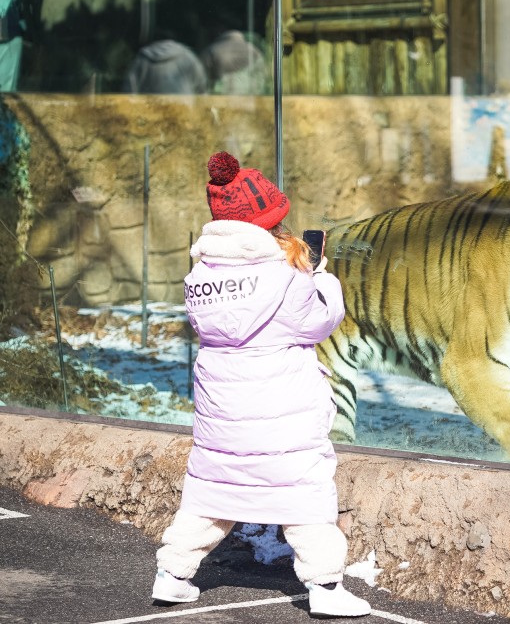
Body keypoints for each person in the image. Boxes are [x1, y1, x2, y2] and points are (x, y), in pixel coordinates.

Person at [151, 151, 370, 618]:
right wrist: (320, 275)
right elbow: (321, 321)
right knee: (305, 499)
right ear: (264, 223)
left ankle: (171, 575)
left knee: (210, 495)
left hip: (223, 420)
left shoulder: (200, 276)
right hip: (281, 420)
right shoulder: (288, 277)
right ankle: (327, 587)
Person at [125, 39, 207, 95]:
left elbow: (129, 91)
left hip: (150, 114)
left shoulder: (142, 60)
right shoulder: (188, 57)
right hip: (183, 113)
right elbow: (202, 90)